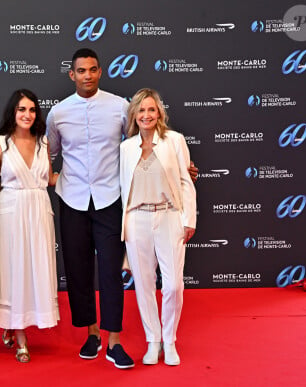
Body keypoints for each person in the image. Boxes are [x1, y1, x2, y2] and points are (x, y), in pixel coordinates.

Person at [46, 48, 135, 369]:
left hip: (110, 199)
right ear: (72, 75)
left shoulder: (120, 107)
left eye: (92, 70)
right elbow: (49, 152)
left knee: (111, 271)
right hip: (72, 200)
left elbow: (138, 145)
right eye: (80, 71)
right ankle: (92, 333)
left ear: (100, 72)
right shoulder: (58, 113)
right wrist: (54, 178)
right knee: (79, 271)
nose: (87, 75)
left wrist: (179, 165)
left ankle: (114, 341)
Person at [120, 88, 196, 366]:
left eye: (151, 110)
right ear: (134, 115)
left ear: (159, 113)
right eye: (141, 110)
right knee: (144, 285)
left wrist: (189, 219)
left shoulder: (174, 141)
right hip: (137, 219)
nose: (146, 115)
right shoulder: (125, 148)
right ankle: (153, 340)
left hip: (169, 217)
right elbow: (122, 187)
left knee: (174, 285)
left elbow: (186, 181)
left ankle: (170, 339)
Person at [0, 89, 60, 363]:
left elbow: (50, 178)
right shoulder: (0, 143)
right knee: (13, 271)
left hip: (39, 210)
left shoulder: (43, 143)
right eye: (21, 109)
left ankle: (14, 323)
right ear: (12, 113)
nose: (27, 115)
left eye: (31, 110)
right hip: (11, 212)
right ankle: (20, 337)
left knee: (35, 270)